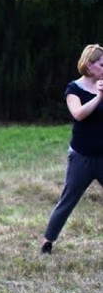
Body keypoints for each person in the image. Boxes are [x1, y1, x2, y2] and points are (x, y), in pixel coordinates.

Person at [41, 43, 103, 254]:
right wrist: (99, 97)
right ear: (89, 64)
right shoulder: (74, 88)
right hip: (81, 158)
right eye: (102, 65)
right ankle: (47, 241)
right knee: (68, 200)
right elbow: (78, 114)